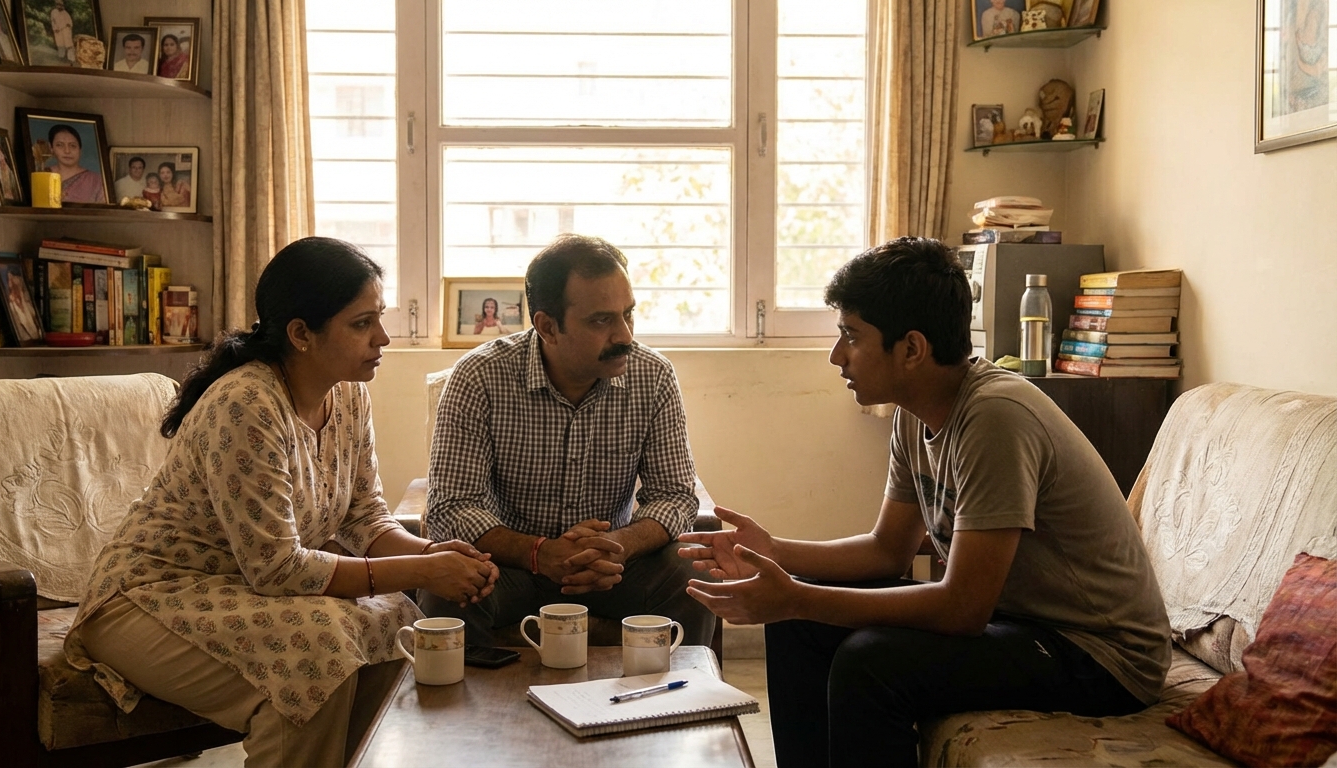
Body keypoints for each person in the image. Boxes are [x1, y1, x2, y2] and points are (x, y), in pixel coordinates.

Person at [678, 237, 1171, 767]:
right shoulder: (916, 412)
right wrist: (775, 551)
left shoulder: (996, 418)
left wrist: (796, 595)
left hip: (1102, 655)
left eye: (851, 336)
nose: (835, 355)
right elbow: (887, 550)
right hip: (1023, 625)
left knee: (868, 661)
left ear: (911, 349)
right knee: (800, 626)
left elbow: (961, 609)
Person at [63, 237, 500, 767]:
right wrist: (423, 571)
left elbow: (364, 515)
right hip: (148, 597)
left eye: (378, 318)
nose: (383, 338)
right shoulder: (245, 404)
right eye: (362, 324)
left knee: (392, 620)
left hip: (239, 589)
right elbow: (277, 569)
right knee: (317, 654)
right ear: (300, 335)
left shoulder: (347, 392)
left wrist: (426, 553)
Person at [421, 233, 715, 648]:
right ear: (547, 326)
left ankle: (680, 707)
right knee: (445, 584)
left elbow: (676, 495)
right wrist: (541, 553)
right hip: (512, 568)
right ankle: (470, 712)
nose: (625, 335)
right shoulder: (480, 377)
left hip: (611, 569)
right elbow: (451, 507)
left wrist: (618, 544)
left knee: (695, 576)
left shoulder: (653, 376)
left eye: (628, 314)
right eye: (601, 320)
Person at [45, 124, 106, 204]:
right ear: (51, 148)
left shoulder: (96, 181)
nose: (67, 151)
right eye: (60, 145)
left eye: (73, 146)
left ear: (80, 150)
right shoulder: (43, 175)